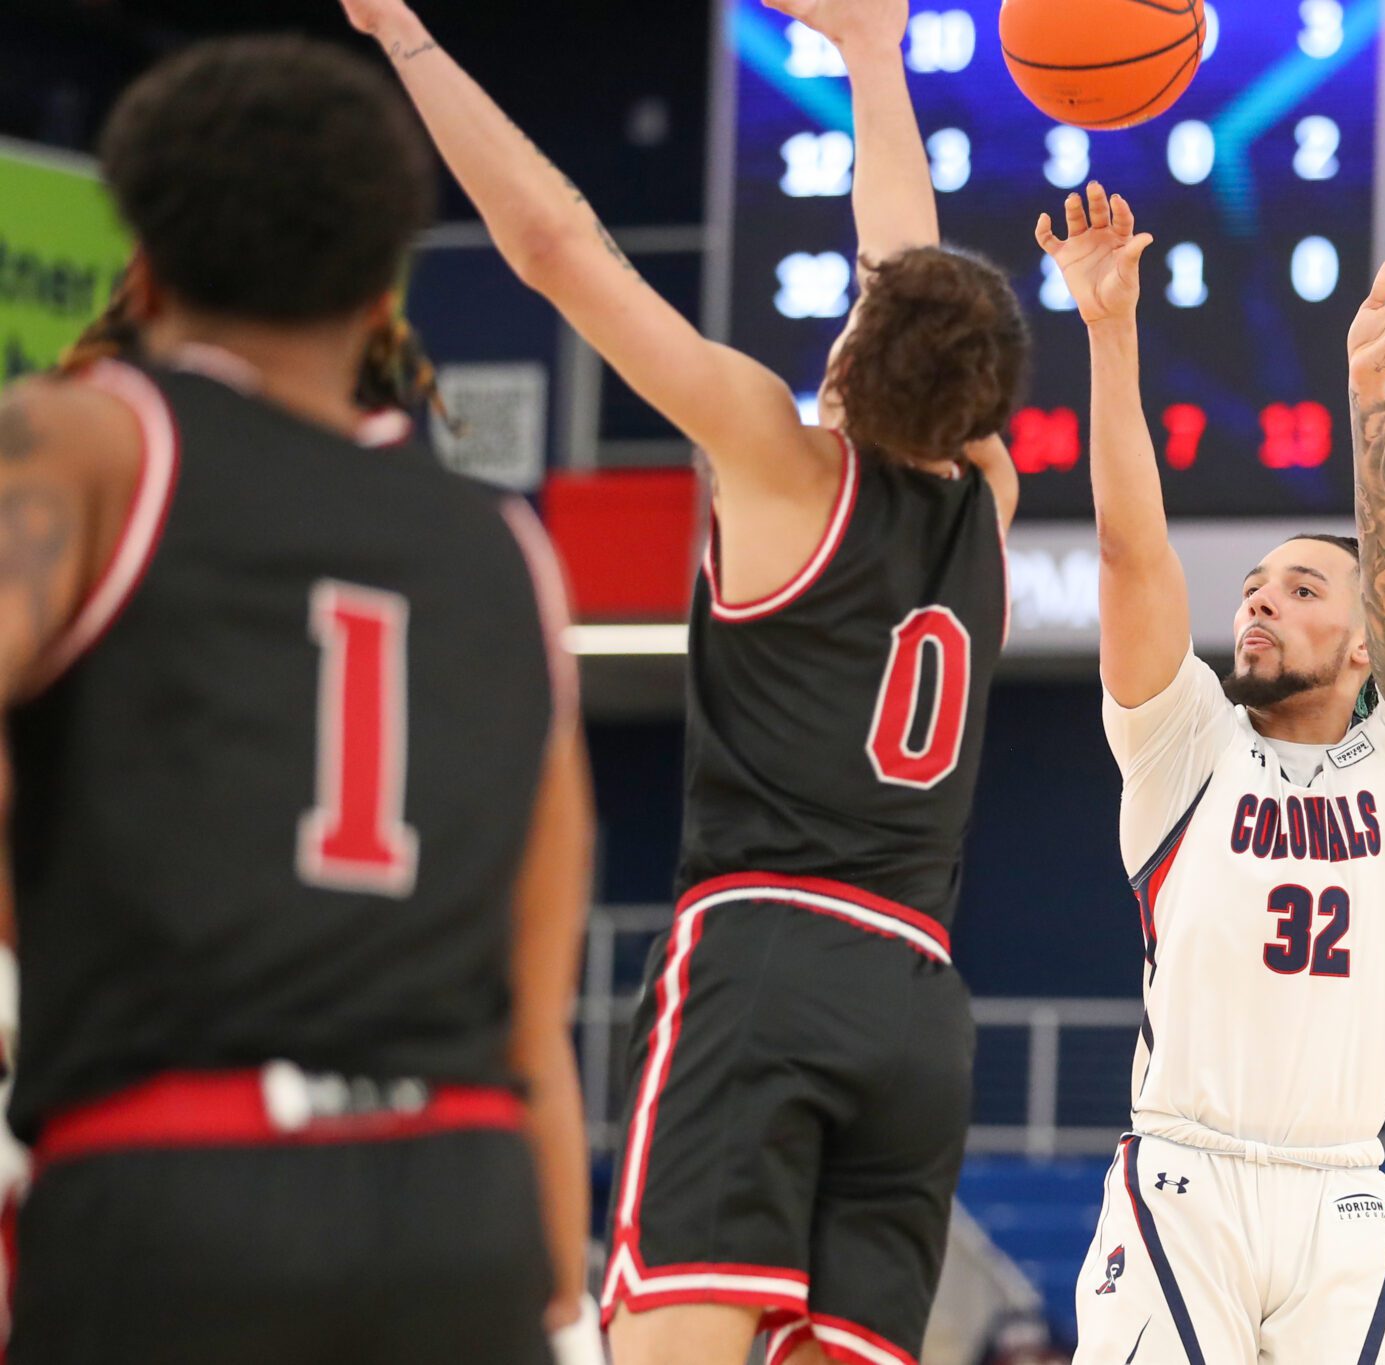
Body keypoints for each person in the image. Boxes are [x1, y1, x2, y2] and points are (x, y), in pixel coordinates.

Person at [338, 0, 1026, 1360]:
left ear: (855, 339)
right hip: (923, 1008)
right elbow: (911, 274)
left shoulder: (776, 453)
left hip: (767, 956)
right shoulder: (985, 499)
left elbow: (554, 248)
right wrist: (874, 57)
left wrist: (401, 33)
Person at [0, 36, 595, 1364]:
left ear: (141, 263)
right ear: (387, 285)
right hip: (463, 1207)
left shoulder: (90, 438)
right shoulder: (509, 548)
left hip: (176, 1186)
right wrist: (565, 1315)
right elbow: (529, 1012)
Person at [1040, 182, 1385, 1362]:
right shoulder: (1185, 738)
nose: (1257, 605)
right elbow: (1132, 551)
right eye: (1251, 589)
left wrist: (1367, 401)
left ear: (1359, 642)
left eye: (1298, 590)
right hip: (1186, 1181)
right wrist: (1109, 329)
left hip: (1343, 1197)